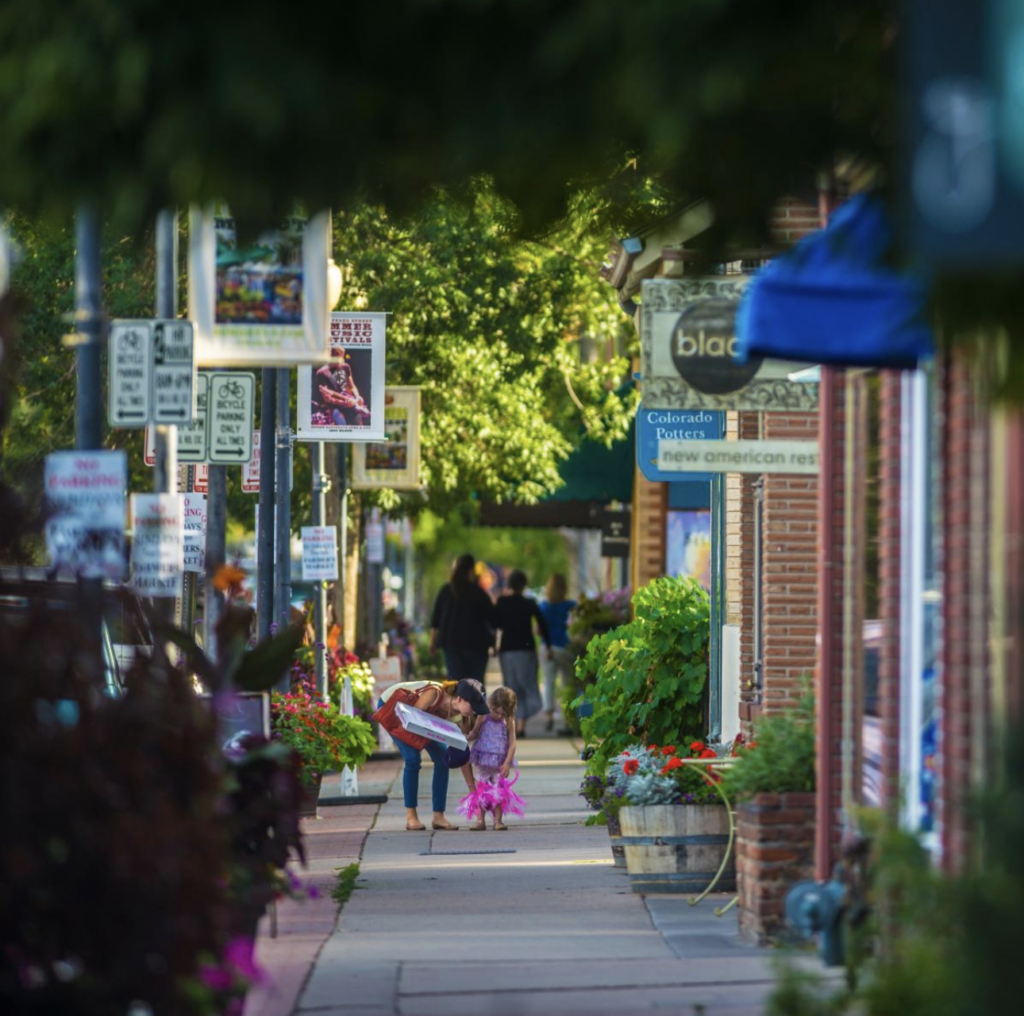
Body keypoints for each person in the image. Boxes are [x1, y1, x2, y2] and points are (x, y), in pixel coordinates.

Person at [375, 677, 489, 831]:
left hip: (422, 719)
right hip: (394, 708)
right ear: (460, 699)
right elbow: (413, 721)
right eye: (473, 706)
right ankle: (411, 817)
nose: (474, 711)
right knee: (412, 758)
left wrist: (473, 792)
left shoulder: (463, 717)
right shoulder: (434, 693)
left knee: (443, 759)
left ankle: (438, 817)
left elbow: (462, 754)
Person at [460, 687, 525, 831]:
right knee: (481, 790)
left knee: (499, 791)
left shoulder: (508, 721)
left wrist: (507, 763)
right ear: (491, 705)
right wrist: (469, 736)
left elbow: (513, 743)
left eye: (503, 714)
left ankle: (498, 821)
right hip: (482, 759)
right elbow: (476, 732)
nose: (498, 716)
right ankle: (480, 820)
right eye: (496, 711)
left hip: (499, 762)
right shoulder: (484, 715)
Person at [494, 569, 549, 736]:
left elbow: (496, 624)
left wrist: (492, 645)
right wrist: (549, 646)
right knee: (525, 686)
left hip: (507, 649)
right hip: (526, 649)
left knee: (510, 686)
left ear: (509, 583)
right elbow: (543, 625)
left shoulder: (502, 602)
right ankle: (522, 725)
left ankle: (514, 724)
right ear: (524, 584)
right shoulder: (530, 603)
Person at [429, 554, 498, 681]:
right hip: (476, 645)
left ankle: (457, 701)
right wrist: (494, 643)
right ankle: (474, 701)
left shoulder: (446, 590)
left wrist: (432, 641)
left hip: (451, 644)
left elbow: (435, 619)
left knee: (455, 682)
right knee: (475, 684)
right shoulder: (478, 593)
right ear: (471, 570)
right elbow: (493, 619)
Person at [537, 573, 578, 732]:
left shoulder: (543, 606)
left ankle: (549, 716)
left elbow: (538, 630)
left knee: (548, 682)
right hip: (564, 646)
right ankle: (568, 719)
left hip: (547, 648)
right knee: (567, 684)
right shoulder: (570, 605)